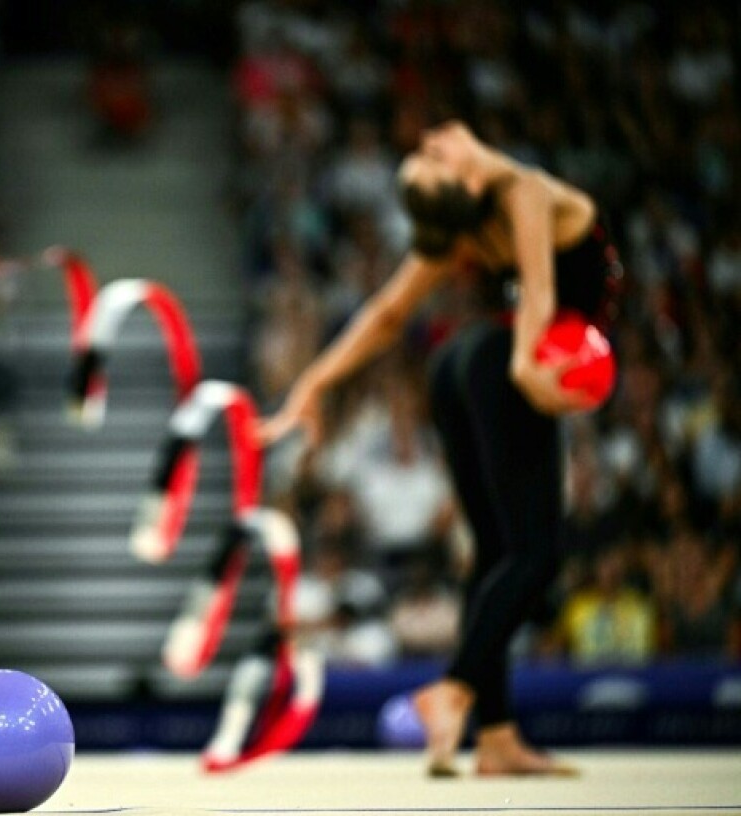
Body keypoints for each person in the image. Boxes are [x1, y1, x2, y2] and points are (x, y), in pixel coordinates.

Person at [259, 121, 622, 776]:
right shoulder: (523, 191)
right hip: (499, 364)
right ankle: (454, 689)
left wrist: (312, 384)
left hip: (458, 366)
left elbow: (385, 314)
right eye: (432, 154)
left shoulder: (463, 219)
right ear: (472, 178)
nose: (433, 136)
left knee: (493, 556)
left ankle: (497, 737)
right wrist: (536, 377)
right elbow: (538, 297)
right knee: (536, 556)